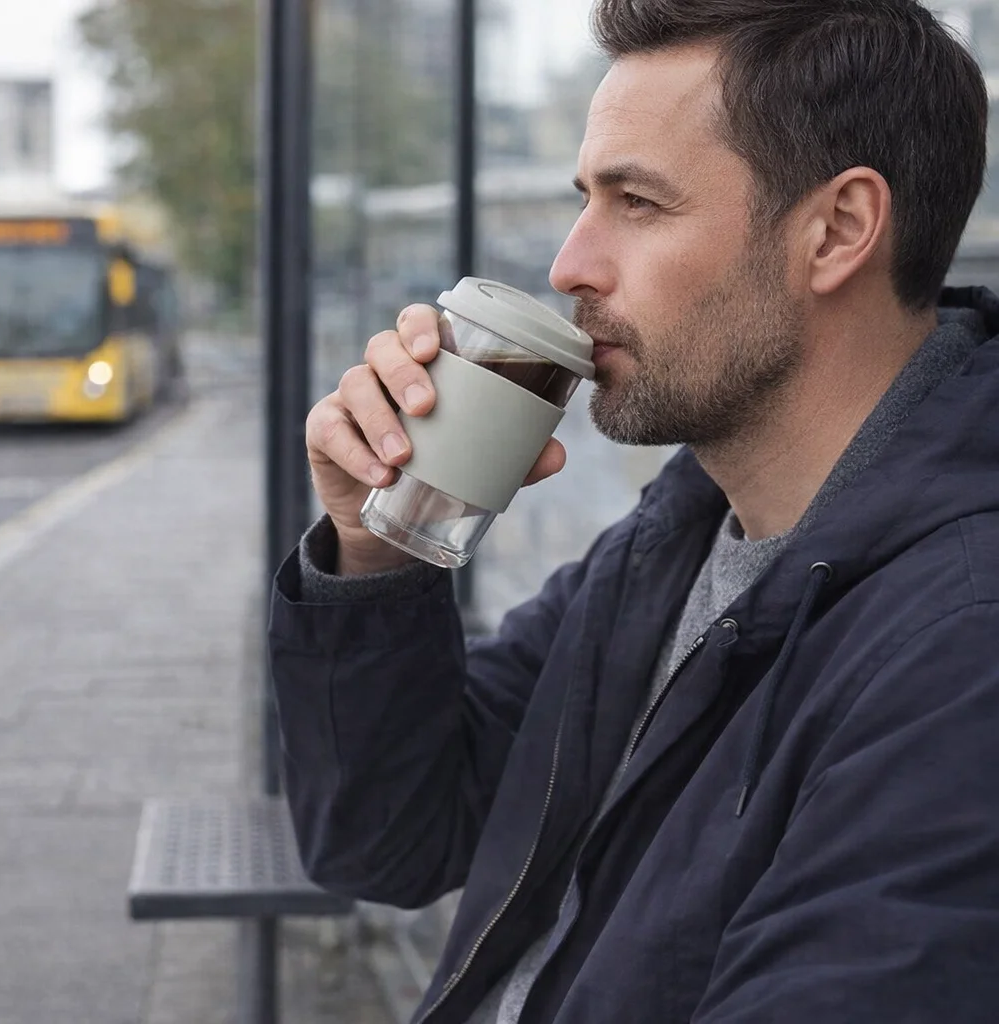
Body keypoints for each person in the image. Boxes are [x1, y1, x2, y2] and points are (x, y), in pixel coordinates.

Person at [269, 0, 999, 1020]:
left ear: (835, 230)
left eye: (638, 204)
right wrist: (372, 549)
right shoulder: (680, 538)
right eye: (584, 199)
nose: (571, 265)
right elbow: (392, 840)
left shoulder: (960, 643)